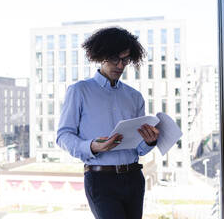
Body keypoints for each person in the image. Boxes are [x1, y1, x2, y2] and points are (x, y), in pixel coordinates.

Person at [56, 26, 159, 219]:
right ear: (101, 56)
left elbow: (139, 149)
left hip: (134, 178)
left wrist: (149, 141)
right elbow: (63, 136)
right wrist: (93, 147)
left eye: (125, 60)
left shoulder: (134, 97)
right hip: (101, 179)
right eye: (115, 59)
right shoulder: (79, 91)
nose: (120, 65)